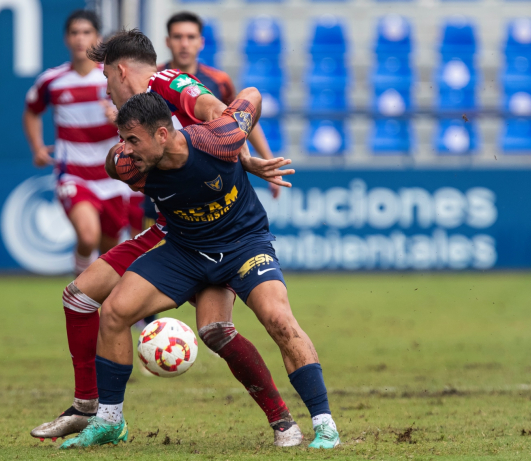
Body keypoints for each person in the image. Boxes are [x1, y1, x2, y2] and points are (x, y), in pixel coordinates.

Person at [30, 30, 299, 447]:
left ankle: (285, 422)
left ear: (121, 72)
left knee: (217, 330)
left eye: (106, 80)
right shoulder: (139, 109)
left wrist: (244, 159)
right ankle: (92, 410)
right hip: (170, 227)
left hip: (207, 231)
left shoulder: (170, 84)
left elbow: (220, 114)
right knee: (80, 297)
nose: (107, 90)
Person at [60, 90, 341, 450]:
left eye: (132, 140)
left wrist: (247, 157)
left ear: (162, 135)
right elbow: (114, 163)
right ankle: (110, 421)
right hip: (185, 251)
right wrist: (119, 154)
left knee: (278, 319)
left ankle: (324, 425)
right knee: (114, 311)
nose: (125, 149)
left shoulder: (219, 139)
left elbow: (252, 96)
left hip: (244, 245)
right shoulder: (129, 165)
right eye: (122, 140)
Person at [23, 10, 130, 275]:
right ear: (66, 39)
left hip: (113, 176)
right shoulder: (52, 81)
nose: (80, 39)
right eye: (75, 33)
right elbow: (31, 111)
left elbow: (137, 117)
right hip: (74, 174)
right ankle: (80, 298)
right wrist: (37, 147)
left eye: (86, 33)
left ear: (98, 38)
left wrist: (119, 117)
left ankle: (108, 304)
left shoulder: (113, 77)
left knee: (110, 248)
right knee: (87, 236)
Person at [162, 11, 281, 199]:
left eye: (190, 37)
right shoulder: (154, 80)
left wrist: (269, 161)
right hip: (166, 182)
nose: (184, 44)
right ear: (167, 42)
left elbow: (242, 118)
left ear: (201, 42)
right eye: (178, 37)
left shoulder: (218, 80)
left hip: (208, 180)